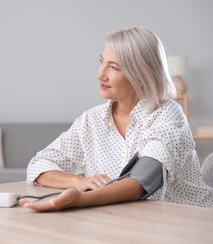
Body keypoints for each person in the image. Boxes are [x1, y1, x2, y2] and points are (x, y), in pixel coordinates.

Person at [21, 27, 213, 212]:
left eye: (113, 67)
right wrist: (78, 182)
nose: (100, 74)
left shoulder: (168, 114)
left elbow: (142, 181)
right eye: (101, 62)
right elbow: (39, 165)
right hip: (128, 221)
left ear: (141, 76)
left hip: (192, 221)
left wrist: (81, 200)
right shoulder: (90, 120)